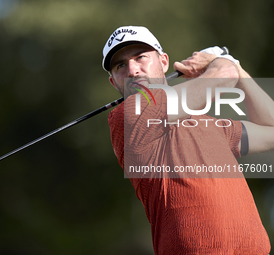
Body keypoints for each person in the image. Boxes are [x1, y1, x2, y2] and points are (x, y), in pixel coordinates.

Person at [102, 25, 273, 254]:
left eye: (140, 57)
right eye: (120, 65)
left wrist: (239, 71)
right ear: (114, 82)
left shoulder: (212, 126)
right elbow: (224, 76)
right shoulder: (128, 115)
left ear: (164, 62)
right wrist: (221, 62)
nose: (133, 70)